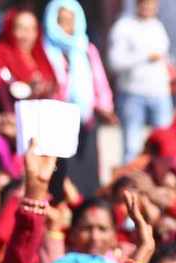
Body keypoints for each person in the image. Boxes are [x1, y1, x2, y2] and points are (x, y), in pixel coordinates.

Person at [40, 0, 114, 197]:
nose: (66, 26)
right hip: (57, 123)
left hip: (86, 122)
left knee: (87, 172)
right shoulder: (45, 50)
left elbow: (99, 81)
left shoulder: (86, 49)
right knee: (63, 174)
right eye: (61, 21)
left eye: (70, 20)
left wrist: (104, 106)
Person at [107, 0, 173, 162]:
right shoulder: (124, 26)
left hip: (160, 93)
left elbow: (163, 57)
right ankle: (131, 184)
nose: (148, 7)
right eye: (145, 3)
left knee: (165, 145)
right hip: (133, 94)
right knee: (132, 148)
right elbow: (114, 61)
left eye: (152, 3)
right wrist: (144, 56)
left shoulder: (157, 26)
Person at [0, 7, 56, 112]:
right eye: (21, 28)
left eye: (31, 29)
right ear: (10, 29)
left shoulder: (41, 57)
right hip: (6, 121)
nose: (26, 35)